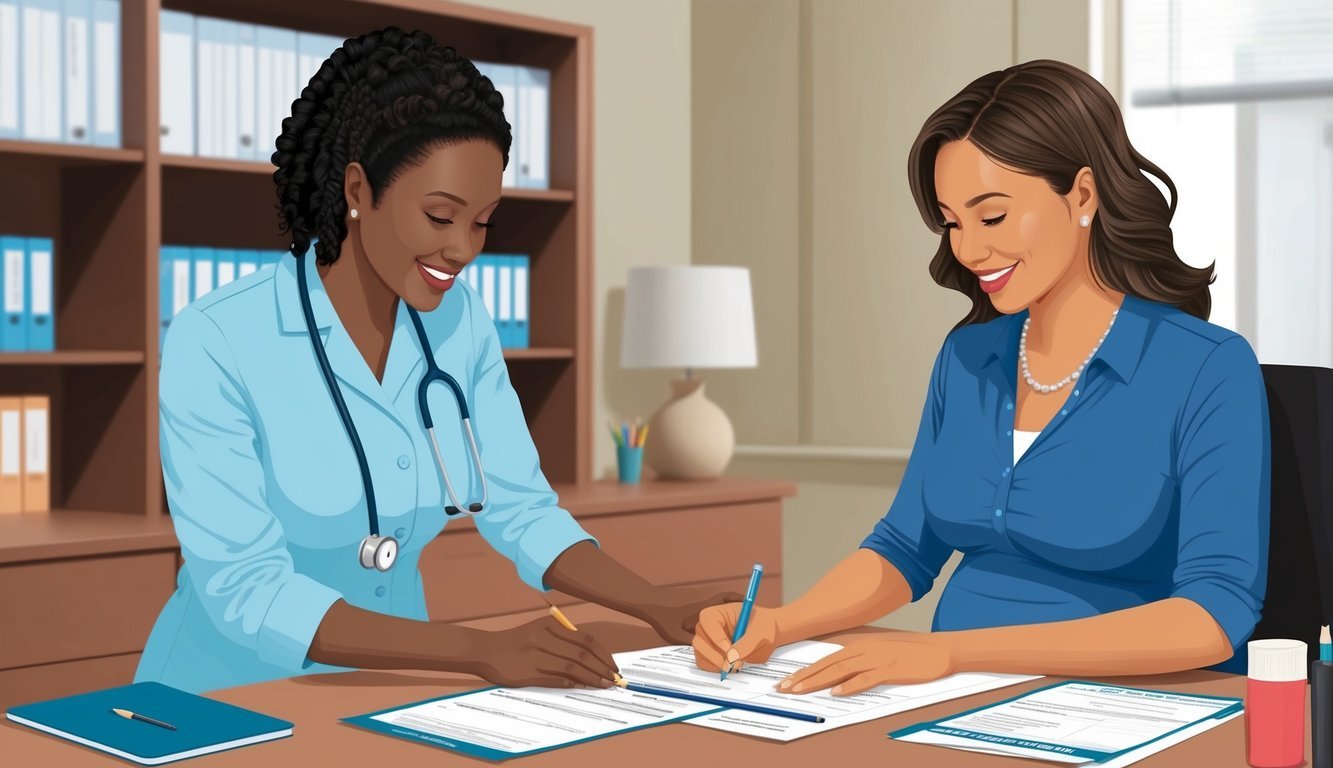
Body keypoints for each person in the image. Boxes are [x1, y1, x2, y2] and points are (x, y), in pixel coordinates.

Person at [136, 27, 735, 694]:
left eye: (481, 221)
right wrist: (477, 650)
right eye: (440, 216)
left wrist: (653, 604)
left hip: (398, 683)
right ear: (358, 190)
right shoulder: (217, 339)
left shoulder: (459, 322)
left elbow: (522, 511)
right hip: (233, 695)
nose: (462, 250)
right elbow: (248, 588)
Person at [693, 59, 1271, 696]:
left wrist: (958, 655)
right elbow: (904, 548)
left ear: (1082, 195)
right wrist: (779, 622)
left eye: (991, 217)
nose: (968, 251)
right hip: (948, 696)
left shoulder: (1205, 366)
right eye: (952, 222)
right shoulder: (968, 358)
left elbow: (1215, 613)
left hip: (1121, 706)